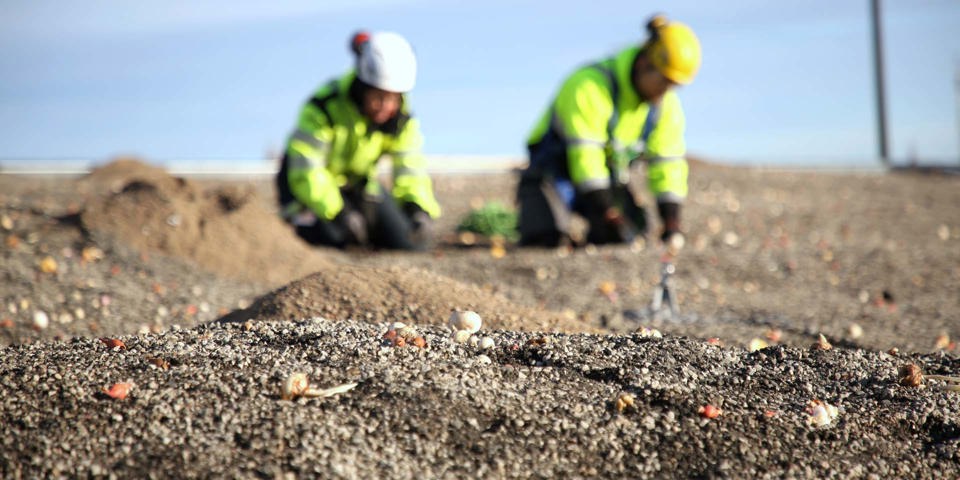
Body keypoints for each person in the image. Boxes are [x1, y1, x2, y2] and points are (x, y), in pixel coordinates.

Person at [516, 15, 700, 250]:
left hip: (606, 177)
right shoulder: (588, 85)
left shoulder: (664, 106)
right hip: (557, 172)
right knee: (544, 239)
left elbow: (668, 163)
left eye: (674, 84)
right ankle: (545, 221)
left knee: (630, 234)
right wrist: (607, 212)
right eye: (664, 81)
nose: (667, 90)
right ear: (645, 63)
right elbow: (585, 157)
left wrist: (671, 220)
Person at [276, 31, 441, 251]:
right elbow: (307, 171)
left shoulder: (400, 118)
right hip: (306, 189)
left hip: (357, 187)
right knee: (333, 239)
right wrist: (339, 213)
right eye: (378, 97)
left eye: (393, 98)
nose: (385, 107)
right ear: (363, 88)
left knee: (410, 242)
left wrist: (417, 209)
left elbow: (410, 167)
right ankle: (299, 220)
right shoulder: (324, 106)